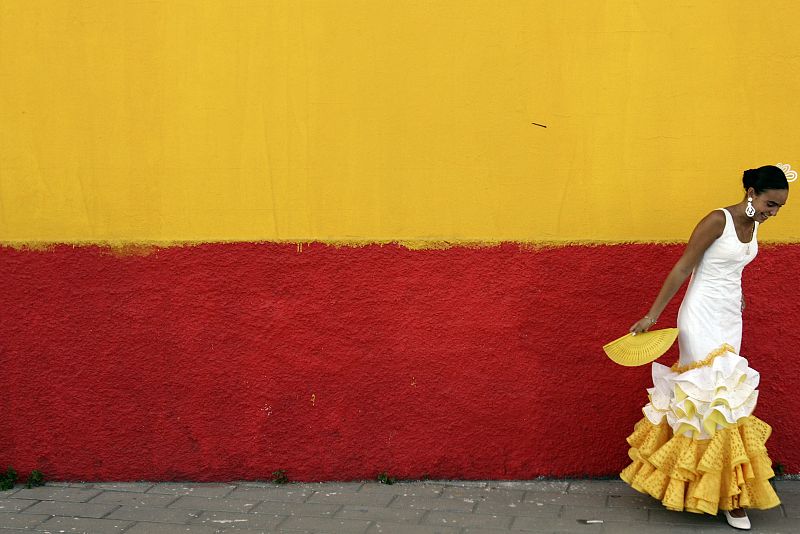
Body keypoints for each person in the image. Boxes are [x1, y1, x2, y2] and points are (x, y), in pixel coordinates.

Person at [620, 165, 790, 530]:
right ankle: (730, 498)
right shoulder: (718, 220)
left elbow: (733, 268)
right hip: (700, 317)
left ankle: (708, 486)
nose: (772, 213)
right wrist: (652, 316)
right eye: (770, 204)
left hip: (730, 318)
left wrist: (739, 295)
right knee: (711, 396)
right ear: (751, 193)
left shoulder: (755, 223)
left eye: (778, 208)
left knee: (727, 395)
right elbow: (684, 268)